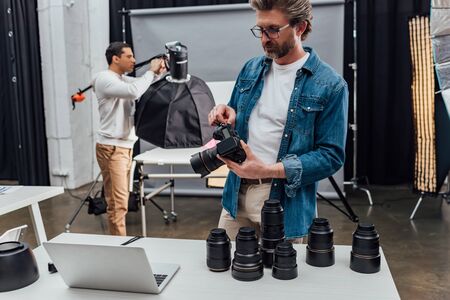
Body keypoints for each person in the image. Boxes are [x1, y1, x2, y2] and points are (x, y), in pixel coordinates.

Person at [208, 0, 348, 242]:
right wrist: (226, 112)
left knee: (281, 277)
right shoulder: (250, 69)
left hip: (285, 200)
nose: (264, 38)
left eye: (273, 29)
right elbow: (236, 117)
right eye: (260, 30)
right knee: (224, 270)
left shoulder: (331, 85)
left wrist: (267, 170)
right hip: (235, 194)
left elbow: (330, 156)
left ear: (300, 27)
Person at [92, 42, 166, 236]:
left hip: (124, 147)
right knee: (117, 204)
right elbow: (134, 90)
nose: (134, 60)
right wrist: (151, 71)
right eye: (129, 56)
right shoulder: (103, 78)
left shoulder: (121, 79)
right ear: (116, 58)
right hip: (112, 148)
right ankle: (120, 248)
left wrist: (156, 73)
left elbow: (139, 85)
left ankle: (119, 245)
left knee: (122, 201)